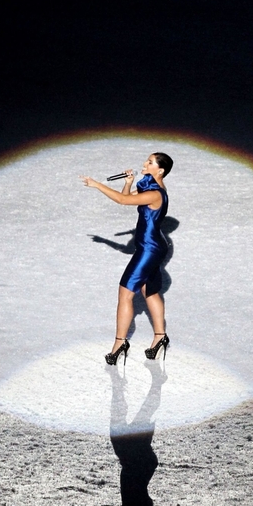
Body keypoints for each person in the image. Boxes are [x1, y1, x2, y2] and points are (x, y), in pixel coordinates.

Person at [80, 152, 173, 364]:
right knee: (149, 291)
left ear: (160, 171)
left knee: (125, 293)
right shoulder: (151, 185)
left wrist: (96, 184)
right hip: (151, 246)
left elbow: (123, 200)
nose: (144, 163)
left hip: (149, 249)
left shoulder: (155, 194)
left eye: (150, 162)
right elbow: (127, 196)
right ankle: (160, 337)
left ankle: (119, 343)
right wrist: (129, 182)